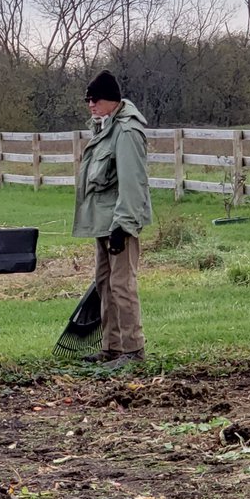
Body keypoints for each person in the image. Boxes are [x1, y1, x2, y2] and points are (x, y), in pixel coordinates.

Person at [73, 70, 151, 369]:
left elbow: (133, 183)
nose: (90, 104)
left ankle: (133, 349)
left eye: (96, 99)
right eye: (88, 99)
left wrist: (124, 225)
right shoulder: (105, 126)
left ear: (112, 100)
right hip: (103, 221)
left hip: (119, 223)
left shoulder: (127, 132)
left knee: (122, 284)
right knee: (105, 282)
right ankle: (112, 348)